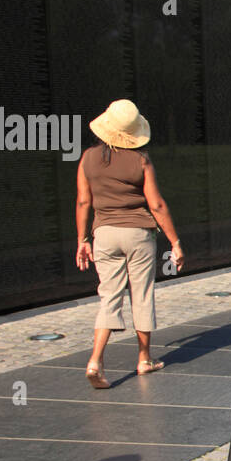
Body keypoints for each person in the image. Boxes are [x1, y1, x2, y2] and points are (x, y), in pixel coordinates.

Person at [75, 99, 183, 389]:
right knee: (142, 294)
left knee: (109, 296)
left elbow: (84, 201)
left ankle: (95, 360)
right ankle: (144, 359)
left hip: (104, 234)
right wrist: (174, 241)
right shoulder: (141, 160)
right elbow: (156, 204)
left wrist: (82, 239)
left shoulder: (87, 158)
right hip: (138, 233)